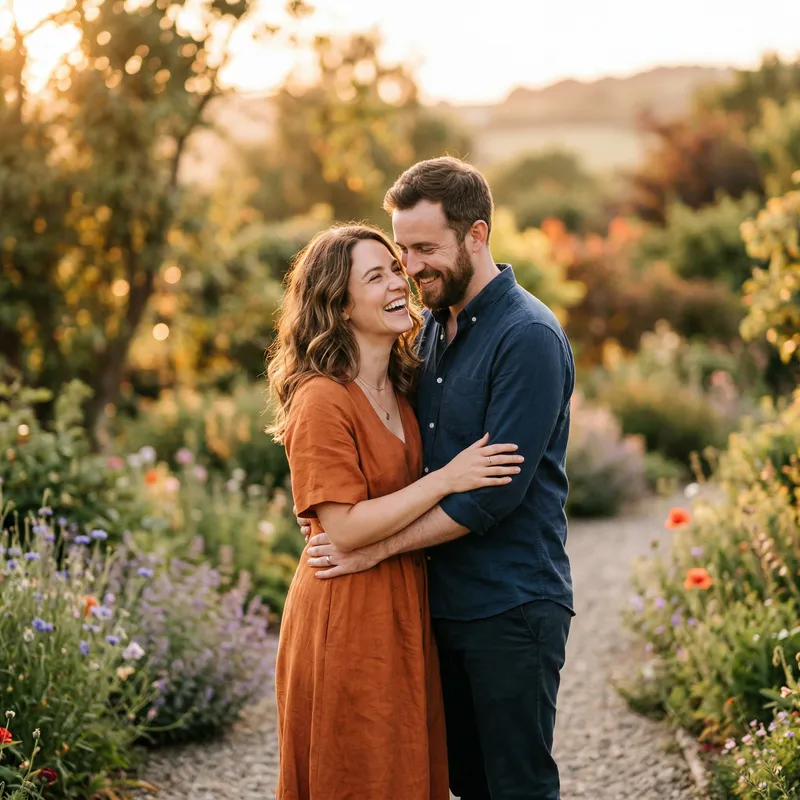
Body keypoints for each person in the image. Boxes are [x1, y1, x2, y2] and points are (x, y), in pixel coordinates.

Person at [300, 157, 576, 800]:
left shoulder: (526, 335)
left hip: (509, 605)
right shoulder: (428, 331)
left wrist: (372, 547)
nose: (411, 266)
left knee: (516, 787)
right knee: (460, 782)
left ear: (475, 236)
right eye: (401, 251)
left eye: (425, 249)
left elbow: (491, 499)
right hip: (434, 605)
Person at [266, 223, 524, 800]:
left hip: (404, 602)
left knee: (404, 766)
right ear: (338, 303)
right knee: (358, 771)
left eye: (395, 269)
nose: (397, 283)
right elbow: (346, 527)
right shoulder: (320, 399)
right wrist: (447, 480)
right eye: (375, 275)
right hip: (345, 606)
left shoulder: (403, 387)